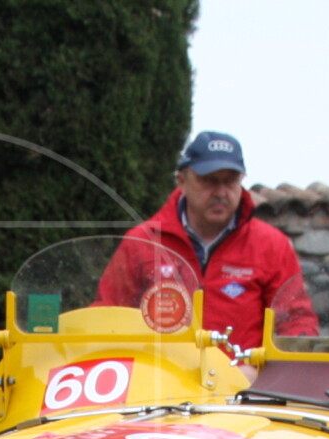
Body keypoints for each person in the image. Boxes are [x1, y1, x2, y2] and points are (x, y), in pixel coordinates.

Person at [99, 130, 317, 344]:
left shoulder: (272, 245)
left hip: (242, 369)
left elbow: (296, 320)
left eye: (230, 181)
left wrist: (276, 361)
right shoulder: (142, 242)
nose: (221, 192)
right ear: (182, 180)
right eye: (209, 180)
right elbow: (107, 314)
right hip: (162, 368)